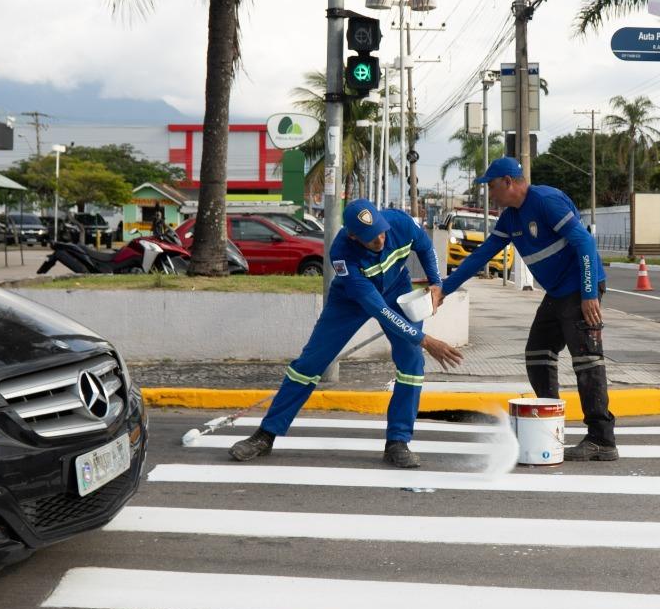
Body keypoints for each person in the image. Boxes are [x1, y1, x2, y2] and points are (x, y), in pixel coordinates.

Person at [228, 198, 464, 468]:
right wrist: (425, 340)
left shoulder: (399, 222)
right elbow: (376, 308)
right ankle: (266, 435)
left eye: (381, 230)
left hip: (396, 289)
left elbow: (424, 246)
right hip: (352, 300)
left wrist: (436, 283)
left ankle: (398, 441)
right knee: (309, 364)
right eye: (371, 237)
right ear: (353, 235)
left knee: (412, 363)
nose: (380, 239)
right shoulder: (341, 253)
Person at [440, 157, 617, 461]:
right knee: (538, 353)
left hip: (580, 288)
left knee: (587, 360)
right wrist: (443, 289)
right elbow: (479, 256)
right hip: (558, 292)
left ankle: (602, 438)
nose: (490, 195)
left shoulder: (546, 201)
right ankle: (549, 424)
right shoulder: (510, 218)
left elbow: (585, 244)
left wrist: (589, 294)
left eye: (492, 187)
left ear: (509, 182)